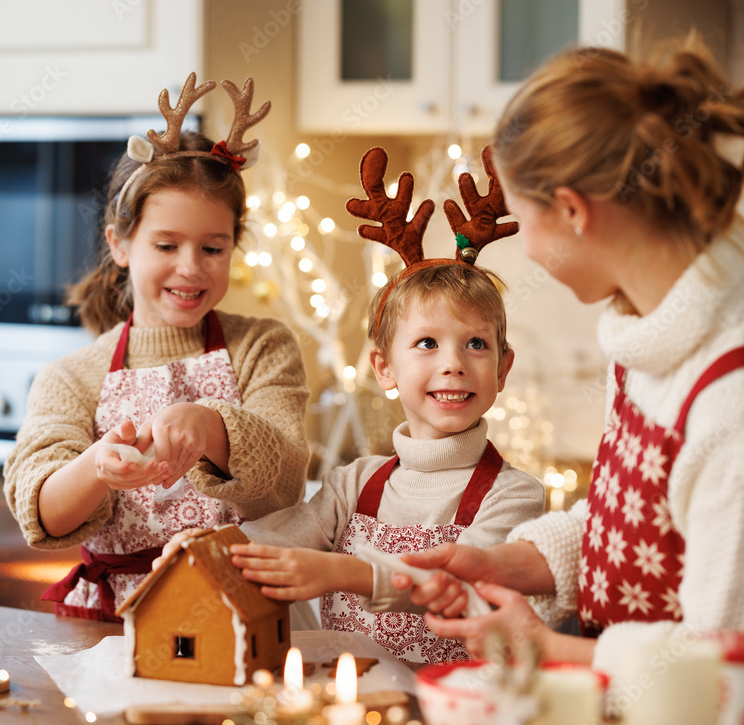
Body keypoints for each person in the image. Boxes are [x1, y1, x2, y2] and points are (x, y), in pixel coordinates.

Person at [395, 36, 744, 720]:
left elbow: (726, 661)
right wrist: (503, 561)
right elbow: (632, 524)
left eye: (524, 220)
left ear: (574, 210)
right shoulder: (657, 325)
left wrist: (542, 647)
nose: (531, 252)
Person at [157, 147, 545, 665]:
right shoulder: (353, 484)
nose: (453, 364)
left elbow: (457, 580)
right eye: (427, 343)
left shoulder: (515, 497)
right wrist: (208, 548)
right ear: (383, 367)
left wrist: (342, 572)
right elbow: (279, 536)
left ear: (502, 368)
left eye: (476, 344)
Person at [3, 75, 310, 622]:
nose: (191, 267)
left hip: (236, 610)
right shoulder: (73, 375)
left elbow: (284, 485)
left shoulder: (262, 346)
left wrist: (211, 426)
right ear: (120, 244)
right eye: (166, 245)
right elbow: (41, 513)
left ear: (234, 245)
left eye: (213, 247)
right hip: (111, 627)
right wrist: (97, 466)